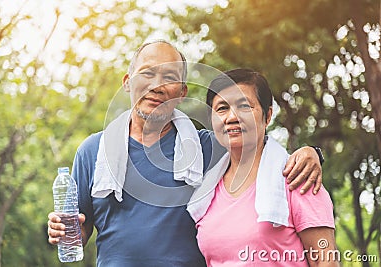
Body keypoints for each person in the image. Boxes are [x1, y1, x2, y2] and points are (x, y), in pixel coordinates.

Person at [47, 41, 324, 266]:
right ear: (127, 82)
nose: (157, 85)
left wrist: (313, 153)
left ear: (181, 92)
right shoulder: (93, 152)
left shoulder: (207, 147)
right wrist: (64, 231)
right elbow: (78, 232)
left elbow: (256, 146)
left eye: (169, 77)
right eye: (147, 73)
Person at [188, 68, 338, 266]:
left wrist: (313, 151)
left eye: (244, 106)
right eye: (222, 108)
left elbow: (325, 262)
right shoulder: (205, 194)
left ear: (267, 116)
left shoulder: (298, 177)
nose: (232, 117)